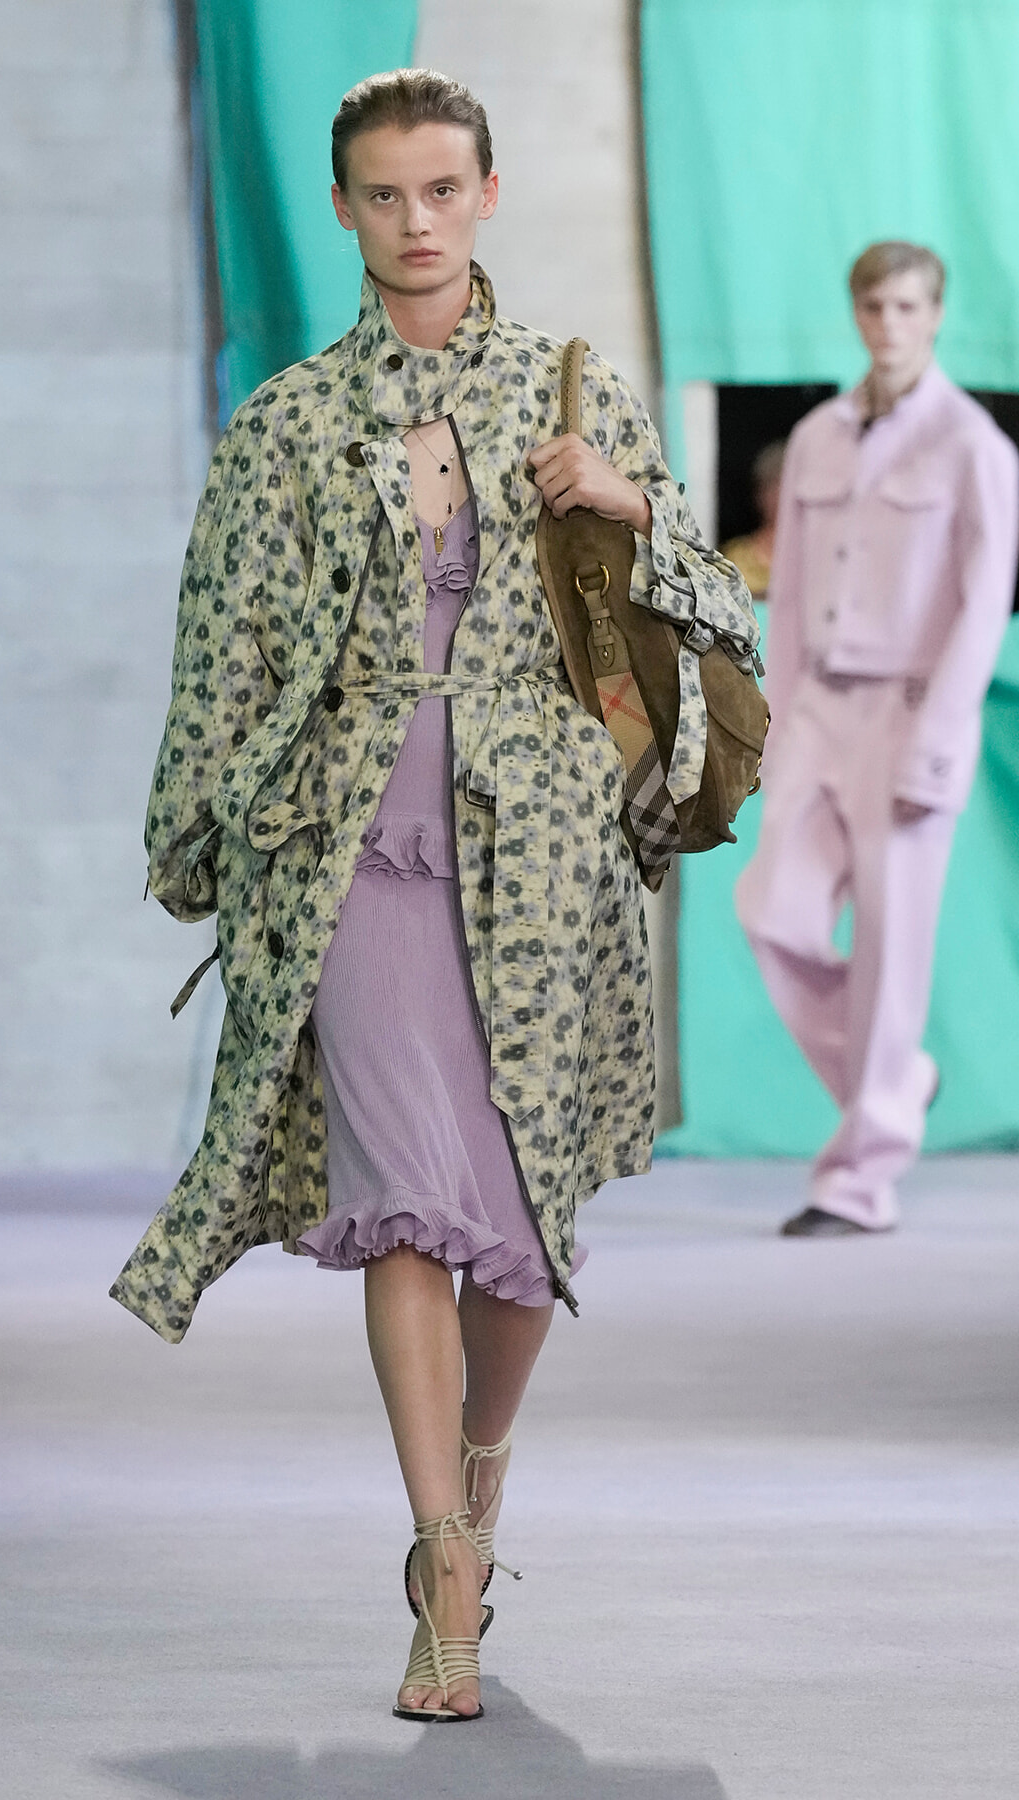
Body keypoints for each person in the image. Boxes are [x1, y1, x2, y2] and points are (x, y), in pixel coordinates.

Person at [112, 69, 754, 1720]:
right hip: (355, 860)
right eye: (384, 194)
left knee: (524, 1240)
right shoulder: (285, 427)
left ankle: (478, 1466)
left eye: (442, 190)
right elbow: (220, 660)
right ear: (343, 206)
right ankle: (445, 1572)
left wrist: (629, 507)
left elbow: (716, 610)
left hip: (540, 862)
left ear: (484, 193)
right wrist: (194, 842)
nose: (414, 222)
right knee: (405, 1198)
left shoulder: (568, 392)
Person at [736, 241, 1019, 1238]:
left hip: (910, 710)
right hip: (819, 709)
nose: (889, 323)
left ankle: (859, 1180)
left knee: (894, 949)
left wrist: (938, 742)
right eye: (873, 305)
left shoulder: (975, 446)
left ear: (935, 314)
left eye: (907, 306)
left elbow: (984, 609)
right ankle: (902, 1073)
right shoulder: (816, 436)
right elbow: (796, 588)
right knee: (773, 911)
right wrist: (774, 731)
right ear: (855, 313)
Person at [721, 439, 785, 600]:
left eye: (784, 487)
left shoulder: (817, 556)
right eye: (770, 487)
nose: (778, 497)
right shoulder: (734, 558)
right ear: (758, 494)